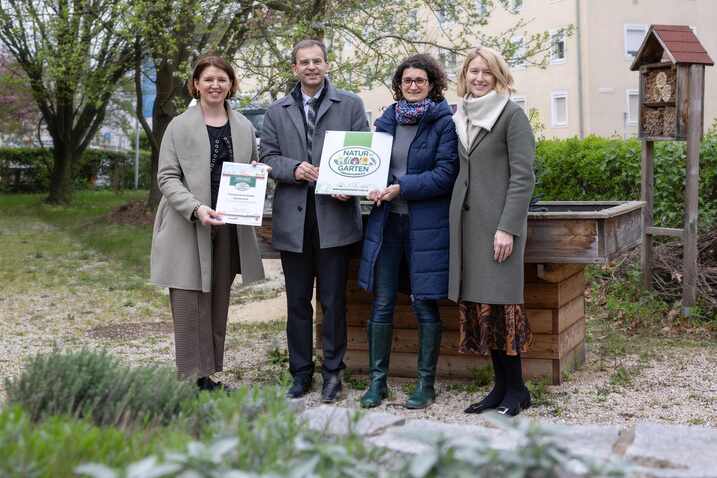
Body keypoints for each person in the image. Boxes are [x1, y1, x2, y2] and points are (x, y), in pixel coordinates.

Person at [260, 39, 369, 402]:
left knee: (334, 301)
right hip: (294, 220)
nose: (311, 67)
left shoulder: (350, 104)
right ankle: (301, 372)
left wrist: (349, 187)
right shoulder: (277, 111)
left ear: (327, 65)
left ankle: (333, 373)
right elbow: (268, 158)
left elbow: (363, 154)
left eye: (317, 61)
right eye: (303, 62)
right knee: (296, 302)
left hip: (334, 217)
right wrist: (294, 168)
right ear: (294, 68)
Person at [150, 55, 265, 391]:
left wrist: (258, 176)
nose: (216, 85)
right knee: (188, 302)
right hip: (188, 224)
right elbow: (167, 177)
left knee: (216, 301)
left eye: (222, 79)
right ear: (196, 84)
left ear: (231, 85)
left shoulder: (243, 125)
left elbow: (246, 170)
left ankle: (207, 375)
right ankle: (188, 379)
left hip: (227, 226)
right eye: (209, 79)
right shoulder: (179, 126)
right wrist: (196, 208)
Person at [357, 54, 458, 409]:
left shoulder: (444, 123)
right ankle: (377, 383)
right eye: (406, 81)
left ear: (432, 84)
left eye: (420, 80)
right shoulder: (386, 122)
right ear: (398, 86)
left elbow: (446, 174)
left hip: (426, 227)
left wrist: (402, 187)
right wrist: (370, 185)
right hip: (387, 224)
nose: (412, 86)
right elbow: (373, 166)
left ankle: (425, 385)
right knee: (382, 304)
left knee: (424, 304)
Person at [448, 46, 536, 416]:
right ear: (464, 75)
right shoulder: (461, 115)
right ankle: (499, 388)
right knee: (484, 309)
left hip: (497, 228)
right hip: (468, 227)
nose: (479, 78)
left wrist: (507, 228)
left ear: (499, 76)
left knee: (503, 309)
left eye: (487, 72)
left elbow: (523, 177)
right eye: (473, 71)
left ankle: (518, 390)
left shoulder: (511, 115)